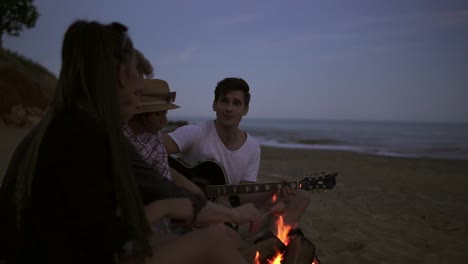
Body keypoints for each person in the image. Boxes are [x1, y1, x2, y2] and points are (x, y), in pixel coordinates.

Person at [0, 21, 253, 264]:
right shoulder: (89, 134)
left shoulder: (65, 123)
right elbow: (109, 237)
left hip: (59, 250)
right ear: (122, 74)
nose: (140, 90)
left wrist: (172, 206)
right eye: (139, 81)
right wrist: (170, 208)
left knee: (212, 239)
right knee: (213, 243)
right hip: (66, 256)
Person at [163, 77, 311, 232]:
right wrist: (180, 184)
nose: (229, 108)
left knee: (300, 196)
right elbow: (150, 151)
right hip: (187, 211)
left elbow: (241, 197)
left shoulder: (252, 147)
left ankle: (273, 245)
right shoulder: (196, 132)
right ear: (215, 105)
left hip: (223, 211)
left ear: (245, 109)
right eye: (224, 101)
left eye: (236, 103)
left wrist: (273, 189)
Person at [123, 78, 201, 194]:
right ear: (141, 115)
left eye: (165, 112)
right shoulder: (115, 135)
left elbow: (165, 183)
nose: (164, 120)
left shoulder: (156, 142)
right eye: (158, 114)